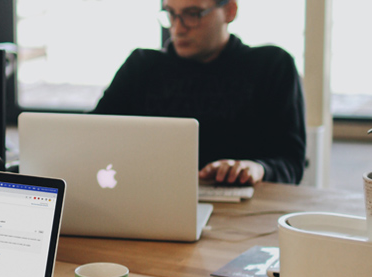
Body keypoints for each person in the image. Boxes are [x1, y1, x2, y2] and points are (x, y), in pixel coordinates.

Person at [91, 0, 306, 185]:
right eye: (171, 14)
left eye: (192, 14)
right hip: (149, 200)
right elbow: (90, 135)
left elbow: (291, 163)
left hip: (242, 211)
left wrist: (258, 169)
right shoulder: (141, 66)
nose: (178, 28)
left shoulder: (272, 66)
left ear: (230, 11)